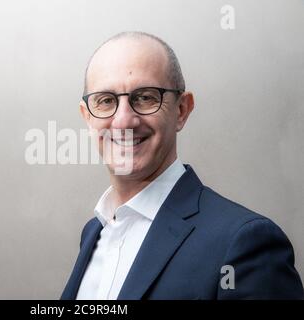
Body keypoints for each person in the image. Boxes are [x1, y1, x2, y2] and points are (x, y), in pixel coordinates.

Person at [60, 31, 303, 300]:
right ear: (87, 117)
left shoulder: (244, 243)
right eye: (106, 101)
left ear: (182, 110)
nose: (124, 121)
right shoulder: (94, 233)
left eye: (145, 97)